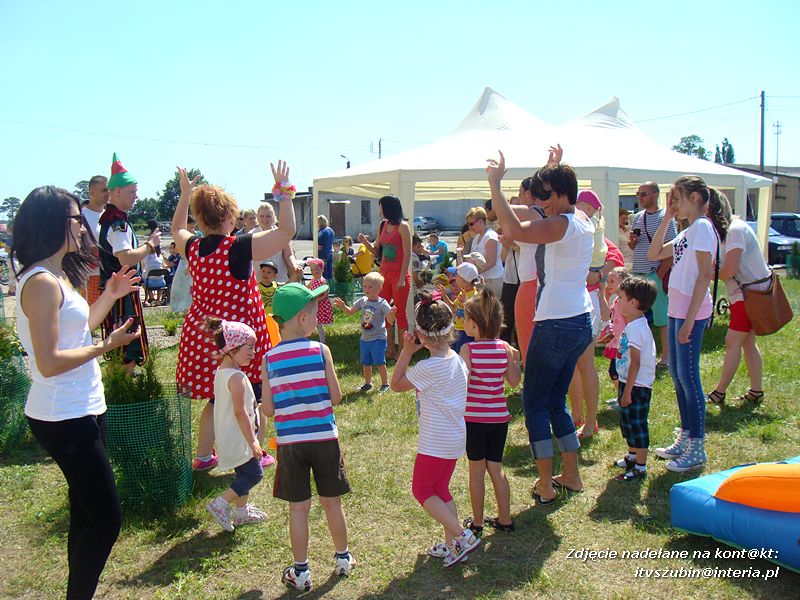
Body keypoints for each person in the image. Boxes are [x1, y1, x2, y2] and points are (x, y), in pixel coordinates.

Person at [12, 185, 142, 600]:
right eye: (74, 217)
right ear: (52, 223)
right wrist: (106, 348)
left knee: (86, 515)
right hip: (61, 415)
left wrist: (110, 295)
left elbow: (78, 329)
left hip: (83, 407)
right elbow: (50, 362)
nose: (82, 223)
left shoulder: (56, 277)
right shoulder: (40, 284)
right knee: (106, 517)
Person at [172, 161, 295, 471]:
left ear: (200, 218)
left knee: (216, 397)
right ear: (229, 217)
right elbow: (286, 232)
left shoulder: (193, 247)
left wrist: (185, 194)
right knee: (252, 393)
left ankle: (203, 456)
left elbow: (176, 229)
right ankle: (259, 452)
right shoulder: (238, 247)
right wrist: (285, 194)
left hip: (206, 336)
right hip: (241, 337)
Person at [488, 145, 592, 504]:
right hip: (579, 321)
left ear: (562, 195)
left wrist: (496, 184)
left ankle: (546, 483)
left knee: (534, 402)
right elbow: (528, 217)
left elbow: (515, 227)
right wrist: (551, 168)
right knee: (554, 401)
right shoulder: (581, 220)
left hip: (556, 322)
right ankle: (572, 475)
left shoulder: (561, 224)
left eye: (547, 195)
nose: (542, 201)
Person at [262, 283, 354, 591]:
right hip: (325, 440)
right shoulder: (320, 351)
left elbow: (269, 410)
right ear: (302, 319)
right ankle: (343, 558)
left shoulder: (269, 359)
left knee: (298, 509)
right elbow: (337, 397)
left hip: (291, 444)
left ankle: (300, 572)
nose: (316, 317)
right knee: (332, 503)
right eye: (314, 313)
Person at [390, 290, 480, 568]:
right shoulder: (455, 359)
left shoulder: (428, 368)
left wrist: (405, 352)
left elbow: (396, 383)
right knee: (440, 489)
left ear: (421, 334)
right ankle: (454, 545)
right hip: (454, 439)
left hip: (435, 442)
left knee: (422, 490)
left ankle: (463, 537)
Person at [650, 177, 728, 472]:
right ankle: (685, 436)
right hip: (677, 310)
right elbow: (654, 253)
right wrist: (668, 217)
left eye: (678, 199)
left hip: (690, 314)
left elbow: (704, 275)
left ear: (695, 198)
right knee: (677, 375)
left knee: (689, 377)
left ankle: (697, 446)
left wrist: (691, 321)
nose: (675, 204)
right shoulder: (688, 230)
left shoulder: (704, 229)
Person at [459, 288, 521, 535]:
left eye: (464, 318)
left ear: (474, 325)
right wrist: (514, 361)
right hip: (498, 419)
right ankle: (505, 519)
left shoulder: (468, 350)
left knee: (476, 471)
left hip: (474, 419)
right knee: (496, 468)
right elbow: (514, 382)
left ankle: (477, 522)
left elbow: (464, 383)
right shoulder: (504, 348)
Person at [97, 153, 160, 372]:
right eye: (132, 192)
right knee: (127, 345)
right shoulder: (117, 223)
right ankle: (122, 391)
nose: (136, 196)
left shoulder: (115, 220)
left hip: (118, 291)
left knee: (121, 344)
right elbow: (125, 257)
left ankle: (119, 387)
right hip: (121, 294)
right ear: (117, 192)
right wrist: (150, 245)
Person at [204, 318, 268, 531]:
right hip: (240, 437)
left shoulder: (223, 372)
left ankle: (242, 513)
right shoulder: (237, 378)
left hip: (230, 435)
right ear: (232, 349)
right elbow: (240, 412)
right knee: (254, 474)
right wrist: (253, 442)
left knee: (244, 474)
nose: (253, 352)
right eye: (249, 348)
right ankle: (221, 504)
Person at [707, 196, 769, 405]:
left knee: (733, 341)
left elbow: (728, 271)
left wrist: (708, 272)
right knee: (747, 342)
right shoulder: (729, 231)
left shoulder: (734, 230)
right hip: (745, 294)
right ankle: (756, 390)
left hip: (750, 295)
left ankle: (720, 391)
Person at [612, 276, 658, 481]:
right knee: (627, 422)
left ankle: (640, 466)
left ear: (633, 303)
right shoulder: (634, 325)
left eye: (620, 297)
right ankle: (632, 456)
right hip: (629, 383)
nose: (617, 301)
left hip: (637, 386)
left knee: (637, 424)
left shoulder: (636, 328)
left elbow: (636, 363)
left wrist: (628, 391)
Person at [358, 194, 412, 359]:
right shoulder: (382, 225)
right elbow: (376, 251)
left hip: (399, 276)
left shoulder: (403, 227)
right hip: (384, 276)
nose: (379, 211)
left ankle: (402, 351)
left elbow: (408, 254)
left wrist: (402, 278)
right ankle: (389, 350)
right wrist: (365, 242)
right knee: (384, 310)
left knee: (400, 313)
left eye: (381, 207)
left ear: (388, 207)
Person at [629, 182, 676, 368]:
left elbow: (672, 246)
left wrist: (660, 272)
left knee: (661, 318)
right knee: (637, 316)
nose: (640, 197)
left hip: (654, 273)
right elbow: (634, 247)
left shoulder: (666, 217)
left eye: (644, 194)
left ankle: (666, 356)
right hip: (638, 272)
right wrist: (633, 241)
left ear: (656, 195)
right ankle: (642, 354)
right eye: (638, 194)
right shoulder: (637, 217)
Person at [334, 271, 396, 393]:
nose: (366, 288)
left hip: (378, 338)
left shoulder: (382, 303)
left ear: (379, 289)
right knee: (366, 363)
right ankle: (367, 383)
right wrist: (343, 306)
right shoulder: (362, 301)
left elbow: (390, 321)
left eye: (370, 286)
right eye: (364, 286)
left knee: (379, 362)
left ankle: (385, 384)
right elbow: (350, 311)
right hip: (365, 339)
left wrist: (392, 314)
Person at [507, 177, 546, 365]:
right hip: (540, 278)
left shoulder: (533, 213)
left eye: (520, 192)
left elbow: (499, 211)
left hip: (532, 281)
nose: (518, 196)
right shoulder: (546, 213)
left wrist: (494, 182)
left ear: (529, 193)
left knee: (527, 333)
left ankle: (532, 378)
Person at [599, 266, 630, 409]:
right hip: (614, 342)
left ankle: (622, 398)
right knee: (615, 371)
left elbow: (629, 321)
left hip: (621, 344)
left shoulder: (625, 302)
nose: (608, 284)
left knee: (617, 372)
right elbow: (606, 314)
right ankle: (620, 396)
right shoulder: (617, 300)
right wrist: (604, 295)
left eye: (612, 281)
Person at [438, 261, 481, 353]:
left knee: (463, 354)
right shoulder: (462, 292)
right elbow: (453, 308)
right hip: (458, 329)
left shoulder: (474, 295)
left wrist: (465, 302)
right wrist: (444, 295)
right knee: (456, 353)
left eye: (456, 275)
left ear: (464, 280)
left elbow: (474, 315)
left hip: (467, 333)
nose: (454, 278)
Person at [80, 175, 109, 305]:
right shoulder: (80, 216)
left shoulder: (111, 215)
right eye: (104, 190)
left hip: (109, 274)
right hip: (90, 275)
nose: (108, 193)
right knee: (92, 317)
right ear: (92, 192)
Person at [254, 203, 299, 283]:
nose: (265, 219)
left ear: (274, 217)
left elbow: (289, 255)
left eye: (268, 216)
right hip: (259, 283)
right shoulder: (252, 235)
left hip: (280, 281)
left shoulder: (282, 234)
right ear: (257, 217)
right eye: (262, 216)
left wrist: (295, 267)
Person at [465, 207, 504, 296]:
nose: (469, 227)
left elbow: (491, 262)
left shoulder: (490, 237)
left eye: (471, 224)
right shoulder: (476, 238)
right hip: (483, 281)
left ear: (480, 221)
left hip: (493, 280)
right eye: (468, 224)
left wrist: (472, 274)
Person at [498, 213, 520, 346]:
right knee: (506, 315)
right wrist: (507, 246)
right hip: (510, 278)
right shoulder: (507, 234)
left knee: (521, 318)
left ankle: (520, 347)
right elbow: (503, 257)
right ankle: (504, 347)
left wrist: (512, 245)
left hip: (523, 279)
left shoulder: (526, 232)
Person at [169, 215, 195, 313]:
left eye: (193, 226)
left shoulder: (198, 234)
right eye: (191, 226)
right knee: (179, 286)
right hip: (184, 261)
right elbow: (176, 249)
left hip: (192, 262)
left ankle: (190, 307)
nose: (193, 228)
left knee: (190, 286)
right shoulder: (181, 236)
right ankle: (177, 307)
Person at [305, 258, 333, 342]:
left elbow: (325, 295)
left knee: (318, 323)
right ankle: (306, 337)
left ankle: (322, 341)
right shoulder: (312, 280)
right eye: (312, 270)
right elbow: (306, 288)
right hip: (314, 304)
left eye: (316, 269)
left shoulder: (323, 281)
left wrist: (317, 300)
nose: (314, 271)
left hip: (321, 305)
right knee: (312, 321)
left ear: (322, 269)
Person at [317, 215, 335, 281]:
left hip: (322, 254)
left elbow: (318, 242)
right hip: (330, 253)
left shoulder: (321, 231)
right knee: (329, 274)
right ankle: (331, 287)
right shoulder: (331, 230)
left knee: (323, 273)